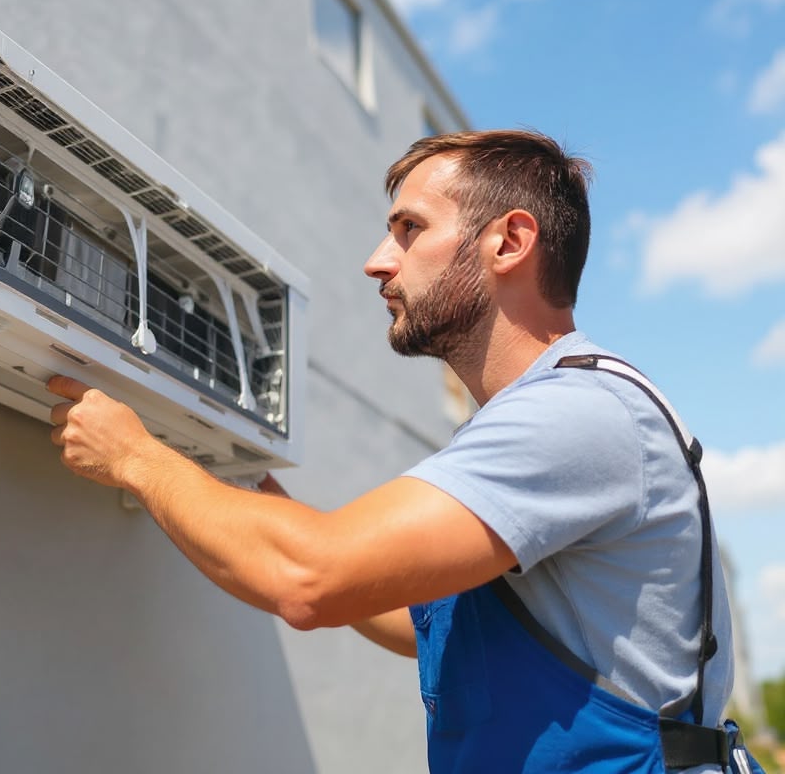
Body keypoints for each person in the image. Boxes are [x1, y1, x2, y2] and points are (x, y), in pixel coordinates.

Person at [46, 130, 762, 773]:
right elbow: (424, 628)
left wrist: (136, 458)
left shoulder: (575, 415)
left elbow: (309, 580)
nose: (376, 262)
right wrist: (254, 493)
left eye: (409, 229)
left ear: (509, 242)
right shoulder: (540, 420)